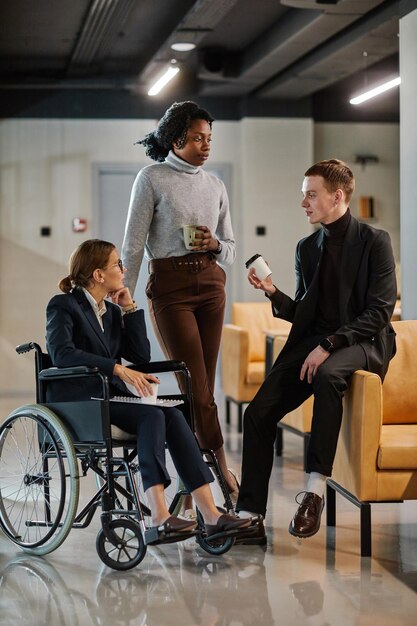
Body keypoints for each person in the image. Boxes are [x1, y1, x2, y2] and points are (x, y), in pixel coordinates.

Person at [45, 239, 256, 545]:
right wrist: (116, 369)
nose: (123, 268)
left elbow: (141, 357)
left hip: (110, 398)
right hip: (79, 401)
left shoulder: (112, 311)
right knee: (151, 417)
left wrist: (129, 308)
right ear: (98, 275)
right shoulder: (63, 305)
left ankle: (210, 513)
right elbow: (62, 354)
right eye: (117, 264)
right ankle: (158, 516)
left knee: (172, 415)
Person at [236, 159, 397, 542]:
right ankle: (250, 515)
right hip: (315, 342)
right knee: (257, 414)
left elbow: (379, 311)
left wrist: (329, 345)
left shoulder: (375, 242)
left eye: (311, 195)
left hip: (363, 341)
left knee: (328, 374)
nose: (303, 203)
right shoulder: (307, 248)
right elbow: (306, 316)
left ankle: (313, 491)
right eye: (303, 195)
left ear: (337, 196)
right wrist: (273, 293)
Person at [121, 100, 239, 503]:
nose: (206, 146)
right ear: (176, 139)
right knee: (197, 385)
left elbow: (232, 250)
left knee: (199, 388)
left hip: (211, 284)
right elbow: (133, 246)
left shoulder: (216, 185)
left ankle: (192, 487)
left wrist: (216, 244)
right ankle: (220, 470)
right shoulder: (151, 178)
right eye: (197, 138)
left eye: (209, 138)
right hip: (170, 289)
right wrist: (124, 297)